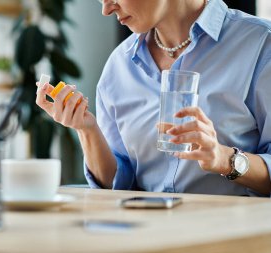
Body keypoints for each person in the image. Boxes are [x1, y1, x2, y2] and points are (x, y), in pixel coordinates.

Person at [36, 0, 271, 197]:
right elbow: (118, 185)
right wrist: (86, 129)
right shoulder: (119, 65)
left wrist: (224, 159)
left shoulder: (260, 45)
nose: (106, 9)